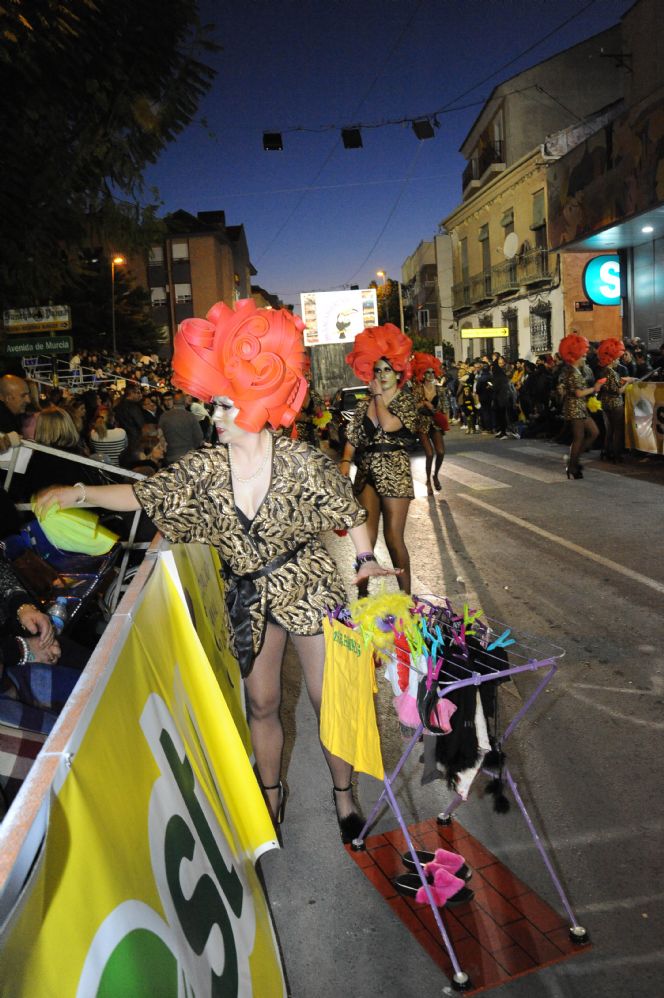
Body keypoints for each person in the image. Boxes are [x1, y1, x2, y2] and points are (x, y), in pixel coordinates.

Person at [35, 298, 399, 844]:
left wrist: (368, 560)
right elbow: (146, 494)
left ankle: (344, 797)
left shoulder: (302, 462)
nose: (217, 417)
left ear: (261, 397)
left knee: (331, 703)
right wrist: (78, 491)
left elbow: (348, 515)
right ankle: (270, 795)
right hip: (249, 596)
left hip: (308, 584)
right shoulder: (203, 468)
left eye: (227, 406)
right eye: (215, 406)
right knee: (262, 702)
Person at [339, 323, 418, 597]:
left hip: (395, 470)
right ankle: (362, 598)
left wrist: (377, 397)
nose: (382, 375)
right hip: (367, 471)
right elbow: (352, 436)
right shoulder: (364, 405)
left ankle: (407, 599)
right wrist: (346, 462)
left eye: (388, 369)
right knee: (365, 540)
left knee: (394, 538)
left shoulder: (406, 400)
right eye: (377, 370)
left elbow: (390, 424)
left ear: (399, 372)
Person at [558, 334, 606, 479]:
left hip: (580, 408)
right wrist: (595, 388)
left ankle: (574, 459)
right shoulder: (573, 373)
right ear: (576, 356)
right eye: (583, 356)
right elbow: (579, 393)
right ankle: (572, 466)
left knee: (594, 432)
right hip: (575, 408)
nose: (585, 358)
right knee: (579, 437)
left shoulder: (576, 371)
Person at [411, 352, 447, 495]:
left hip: (436, 424)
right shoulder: (417, 389)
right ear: (422, 374)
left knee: (441, 452)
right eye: (428, 372)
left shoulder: (440, 390)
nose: (431, 374)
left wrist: (445, 422)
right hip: (422, 425)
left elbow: (445, 408)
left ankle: (436, 475)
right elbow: (413, 407)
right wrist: (425, 402)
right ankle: (428, 481)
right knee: (430, 454)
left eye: (433, 372)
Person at [597, 338, 636, 462]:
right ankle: (616, 454)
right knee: (618, 430)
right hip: (615, 404)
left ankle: (606, 451)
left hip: (605, 403)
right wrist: (628, 383)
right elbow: (618, 391)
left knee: (609, 429)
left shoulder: (603, 371)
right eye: (617, 358)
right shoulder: (612, 373)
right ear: (611, 359)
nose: (619, 360)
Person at [158, 389, 205, 464]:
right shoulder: (190, 416)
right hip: (188, 456)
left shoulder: (164, 416)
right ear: (184, 402)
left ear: (173, 401)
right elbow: (199, 437)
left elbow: (160, 436)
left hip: (170, 456)